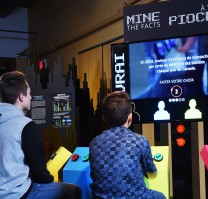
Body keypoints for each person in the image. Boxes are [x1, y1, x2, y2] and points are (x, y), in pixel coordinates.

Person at [0, 71, 82, 199]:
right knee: (73, 190)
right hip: (17, 194)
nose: (31, 98)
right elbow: (40, 175)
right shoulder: (25, 125)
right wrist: (51, 179)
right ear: (21, 96)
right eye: (29, 94)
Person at [89, 91, 166, 199]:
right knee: (160, 196)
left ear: (104, 118)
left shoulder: (94, 143)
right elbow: (152, 174)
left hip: (100, 197)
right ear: (130, 117)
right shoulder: (140, 141)